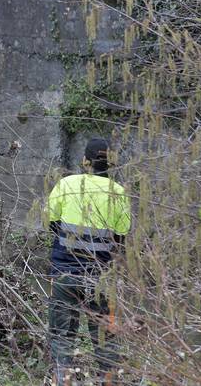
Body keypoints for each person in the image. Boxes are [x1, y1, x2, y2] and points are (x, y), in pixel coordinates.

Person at [45, 138, 131, 386]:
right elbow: (120, 240)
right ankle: (108, 381)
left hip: (64, 275)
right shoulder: (118, 192)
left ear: (85, 161)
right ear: (111, 163)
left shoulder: (66, 185)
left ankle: (63, 382)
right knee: (105, 337)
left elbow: (52, 224)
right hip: (100, 279)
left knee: (62, 337)